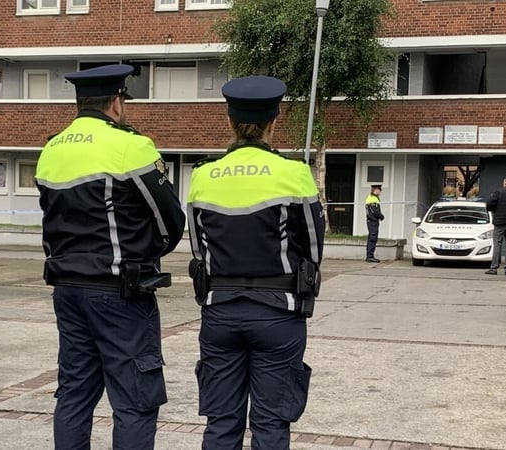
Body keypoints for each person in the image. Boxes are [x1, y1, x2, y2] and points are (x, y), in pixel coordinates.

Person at [34, 64, 186, 450]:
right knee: (135, 401)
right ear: (117, 103)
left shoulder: (51, 149)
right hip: (120, 291)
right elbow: (170, 219)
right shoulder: (130, 147)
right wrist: (151, 251)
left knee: (74, 394)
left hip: (67, 289)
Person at [186, 75, 325, 450]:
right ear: (273, 121)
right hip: (278, 314)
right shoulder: (294, 174)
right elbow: (313, 247)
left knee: (221, 422)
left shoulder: (202, 176)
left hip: (220, 313)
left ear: (229, 122)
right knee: (270, 424)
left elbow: (199, 252)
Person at [365, 184, 384, 263]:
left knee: (372, 238)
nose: (380, 191)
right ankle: (370, 256)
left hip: (372, 221)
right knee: (372, 238)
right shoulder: (372, 199)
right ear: (375, 190)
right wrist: (381, 216)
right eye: (379, 189)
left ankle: (370, 256)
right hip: (372, 221)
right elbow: (374, 211)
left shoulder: (374, 198)